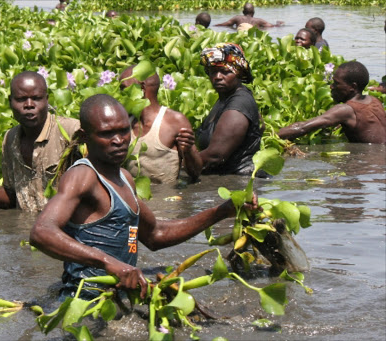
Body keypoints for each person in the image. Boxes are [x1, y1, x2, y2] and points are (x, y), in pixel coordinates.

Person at [29, 94, 259, 299]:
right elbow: (42, 232)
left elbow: (155, 234)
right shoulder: (82, 176)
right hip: (84, 299)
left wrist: (223, 211)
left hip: (119, 296)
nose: (118, 140)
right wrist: (109, 263)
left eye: (122, 131)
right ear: (84, 136)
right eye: (107, 134)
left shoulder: (125, 178)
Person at [0, 71, 80, 211]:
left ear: (47, 100)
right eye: (21, 99)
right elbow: (11, 197)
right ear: (10, 102)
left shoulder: (72, 131)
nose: (29, 105)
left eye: (36, 98)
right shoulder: (10, 138)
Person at [119, 66, 202, 184]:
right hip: (134, 197)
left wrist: (188, 151)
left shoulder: (175, 121)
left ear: (142, 88)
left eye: (123, 89)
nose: (121, 94)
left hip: (167, 199)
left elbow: (195, 173)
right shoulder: (125, 122)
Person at [196, 43, 264, 176]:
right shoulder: (224, 98)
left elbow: (216, 155)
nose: (218, 77)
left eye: (226, 72)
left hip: (239, 180)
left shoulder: (239, 103)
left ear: (238, 73)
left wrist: (179, 164)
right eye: (213, 72)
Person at [278, 61, 386, 144]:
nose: (331, 86)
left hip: (371, 161)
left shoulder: (345, 110)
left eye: (336, 83)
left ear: (352, 87)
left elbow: (302, 127)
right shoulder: (374, 100)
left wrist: (271, 136)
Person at [214, 2, 283, 29]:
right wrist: (278, 24)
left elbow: (225, 24)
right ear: (254, 12)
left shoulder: (238, 18)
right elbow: (271, 26)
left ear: (243, 12)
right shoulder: (258, 21)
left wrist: (214, 25)